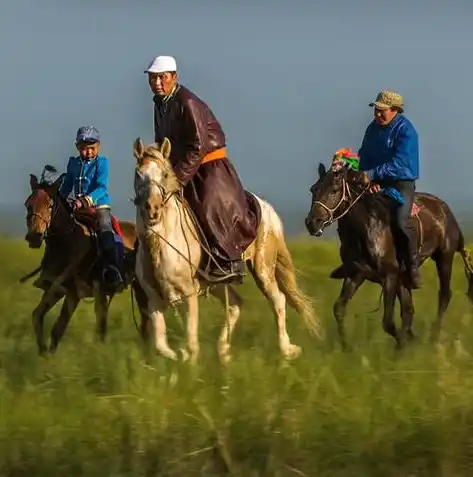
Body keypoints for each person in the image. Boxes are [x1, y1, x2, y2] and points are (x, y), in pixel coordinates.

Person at [143, 55, 260, 283]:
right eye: (153, 78)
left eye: (161, 77)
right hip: (180, 167)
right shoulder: (160, 105)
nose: (157, 83)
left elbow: (198, 146)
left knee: (207, 206)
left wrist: (177, 180)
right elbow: (161, 143)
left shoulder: (188, 102)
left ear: (173, 77)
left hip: (209, 165)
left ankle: (229, 260)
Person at [358, 90, 421, 289]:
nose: (377, 114)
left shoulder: (406, 131)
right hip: (377, 180)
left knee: (401, 221)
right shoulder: (372, 128)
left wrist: (373, 174)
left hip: (402, 182)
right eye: (376, 110)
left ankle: (412, 265)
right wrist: (355, 168)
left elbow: (401, 163)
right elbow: (364, 154)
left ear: (395, 110)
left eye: (382, 110)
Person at [58, 125, 124, 290]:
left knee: (105, 228)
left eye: (91, 148)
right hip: (77, 208)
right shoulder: (73, 163)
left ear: (98, 146)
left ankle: (113, 269)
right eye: (83, 148)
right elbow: (67, 185)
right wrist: (58, 200)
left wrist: (85, 200)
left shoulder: (102, 163)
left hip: (98, 206)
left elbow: (102, 187)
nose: (88, 152)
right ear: (77, 147)